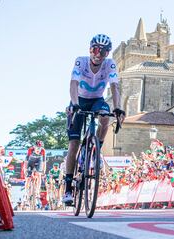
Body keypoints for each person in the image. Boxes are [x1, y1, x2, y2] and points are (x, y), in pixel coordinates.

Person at [63, 34, 125, 204]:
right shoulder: (81, 61)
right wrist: (75, 104)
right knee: (74, 144)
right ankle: (68, 187)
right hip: (79, 100)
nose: (98, 54)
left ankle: (96, 150)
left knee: (105, 117)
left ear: (107, 53)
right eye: (95, 49)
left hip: (97, 100)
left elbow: (114, 86)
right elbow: (73, 84)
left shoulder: (110, 64)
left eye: (103, 51)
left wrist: (118, 107)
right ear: (90, 49)